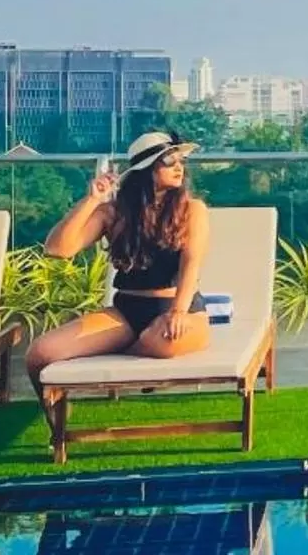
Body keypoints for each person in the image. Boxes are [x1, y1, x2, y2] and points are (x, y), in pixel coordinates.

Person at [26, 129, 213, 383]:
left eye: (181, 160)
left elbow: (191, 265)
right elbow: (58, 249)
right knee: (40, 353)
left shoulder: (192, 210)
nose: (178, 167)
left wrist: (178, 312)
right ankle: (56, 420)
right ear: (146, 170)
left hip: (182, 310)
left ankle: (117, 354)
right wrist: (91, 201)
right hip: (127, 312)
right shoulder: (113, 214)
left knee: (161, 342)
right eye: (169, 161)